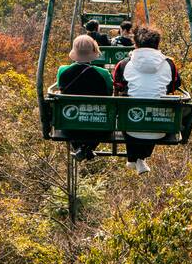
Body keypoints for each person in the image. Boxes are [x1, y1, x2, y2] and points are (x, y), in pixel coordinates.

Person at [112, 24, 181, 174]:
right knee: (152, 116)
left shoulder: (123, 64)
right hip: (161, 126)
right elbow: (175, 84)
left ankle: (134, 158)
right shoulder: (169, 64)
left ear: (135, 44)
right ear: (157, 45)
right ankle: (139, 159)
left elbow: (117, 85)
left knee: (129, 112)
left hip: (130, 126)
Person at [57, 34, 114, 161]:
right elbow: (110, 92)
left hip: (69, 124)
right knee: (100, 125)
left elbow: (61, 89)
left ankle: (81, 148)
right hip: (99, 126)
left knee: (73, 126)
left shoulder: (63, 71)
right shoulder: (103, 74)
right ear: (93, 52)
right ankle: (87, 148)